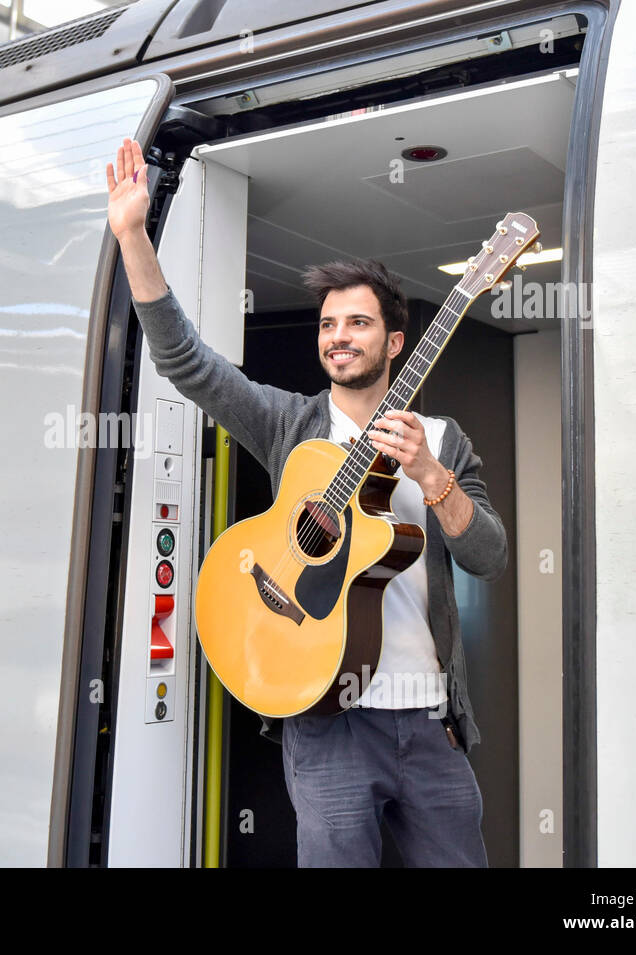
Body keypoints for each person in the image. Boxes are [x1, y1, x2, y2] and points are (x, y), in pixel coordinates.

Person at [105, 137, 508, 867]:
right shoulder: (289, 424)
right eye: (326, 324)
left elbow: (490, 555)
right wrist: (135, 235)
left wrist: (432, 478)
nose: (337, 337)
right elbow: (185, 361)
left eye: (355, 323)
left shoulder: (442, 438)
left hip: (428, 722)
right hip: (326, 720)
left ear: (395, 341)